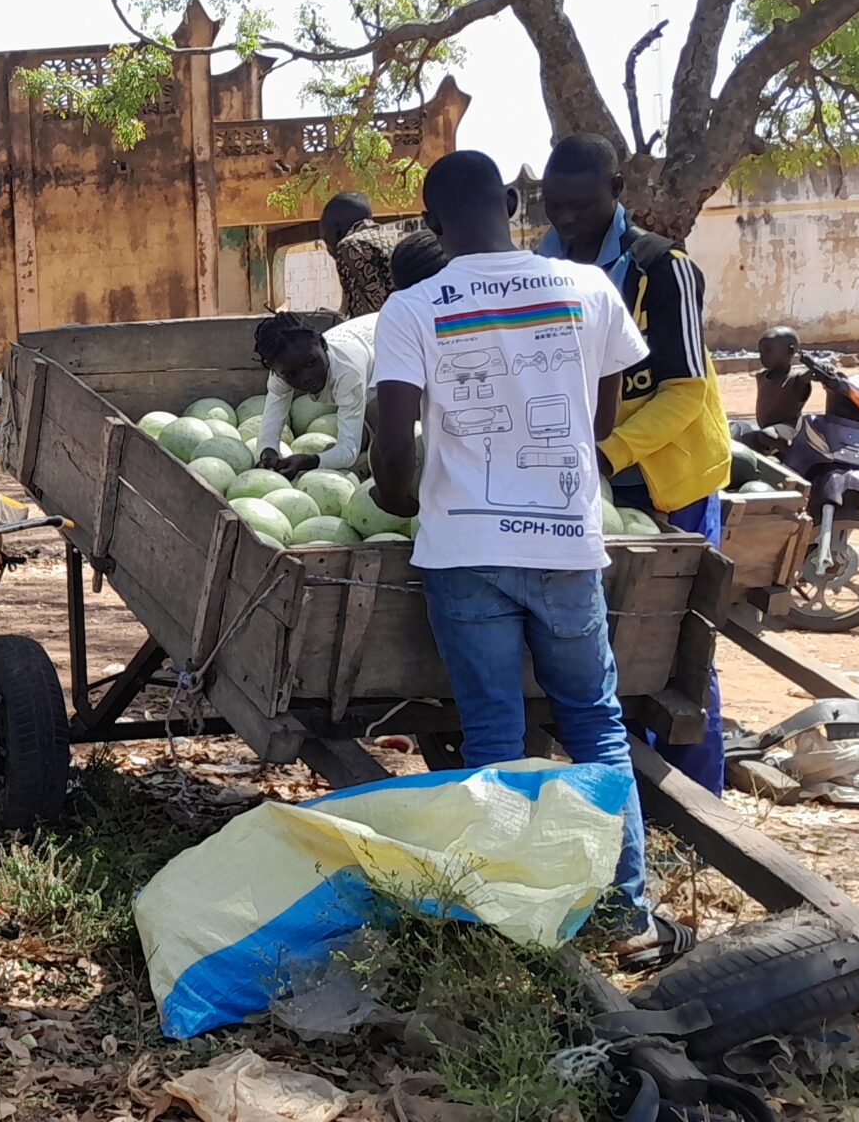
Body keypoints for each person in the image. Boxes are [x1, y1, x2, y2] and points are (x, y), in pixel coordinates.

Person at [370, 149, 677, 962]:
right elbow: (604, 418)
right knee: (595, 726)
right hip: (568, 546)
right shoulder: (589, 289)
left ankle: (507, 922)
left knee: (494, 730)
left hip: (463, 552)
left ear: (432, 225)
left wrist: (408, 503)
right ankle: (627, 914)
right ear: (512, 201)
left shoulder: (413, 306)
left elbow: (391, 453)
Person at [538, 133, 733, 796]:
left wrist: (605, 454)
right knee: (610, 649)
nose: (565, 218)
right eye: (553, 204)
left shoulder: (661, 268)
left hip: (665, 480)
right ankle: (638, 797)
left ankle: (700, 799)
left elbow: (685, 393)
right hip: (590, 486)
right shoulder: (544, 264)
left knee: (677, 652)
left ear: (617, 194)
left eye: (580, 204)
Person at [251, 311, 373, 477]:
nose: (306, 378)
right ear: (276, 372)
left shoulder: (348, 374)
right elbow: (270, 427)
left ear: (323, 344)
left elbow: (348, 450)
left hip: (406, 345)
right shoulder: (283, 372)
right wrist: (268, 453)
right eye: (292, 374)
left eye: (311, 363)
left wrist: (309, 461)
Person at [324, 191, 407, 318]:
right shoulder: (386, 238)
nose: (328, 250)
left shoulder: (350, 246)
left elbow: (364, 312)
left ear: (336, 230)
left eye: (326, 239)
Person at [742, 326, 814, 453]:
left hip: (787, 429)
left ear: (790, 351)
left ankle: (793, 453)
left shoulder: (794, 379)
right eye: (761, 352)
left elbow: (804, 378)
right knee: (742, 438)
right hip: (766, 428)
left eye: (768, 350)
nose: (763, 356)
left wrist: (815, 370)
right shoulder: (763, 376)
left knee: (766, 436)